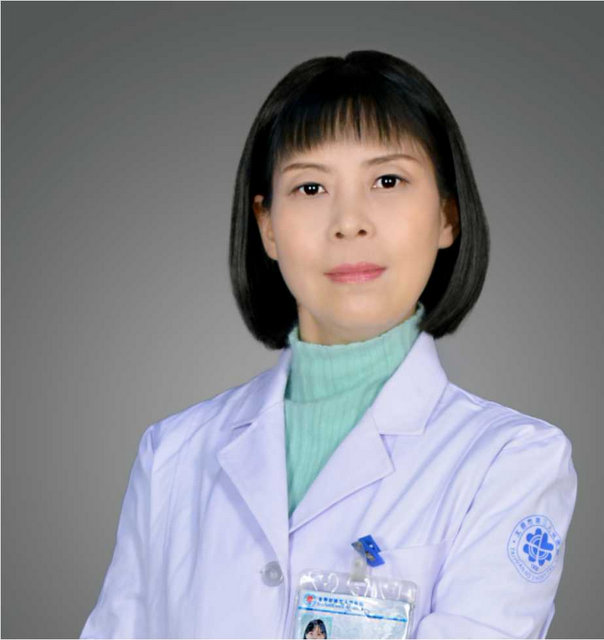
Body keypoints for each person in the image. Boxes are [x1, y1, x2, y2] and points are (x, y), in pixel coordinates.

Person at [80, 50, 578, 639]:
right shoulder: (172, 455)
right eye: (311, 186)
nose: (349, 221)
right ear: (267, 226)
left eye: (387, 181)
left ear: (447, 215)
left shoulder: (510, 462)